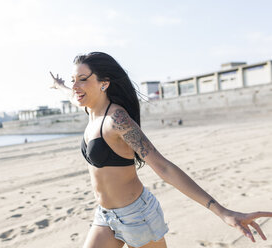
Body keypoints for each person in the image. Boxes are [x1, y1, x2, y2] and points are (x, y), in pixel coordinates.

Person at [50, 52, 272, 248]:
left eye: (82, 79)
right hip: (106, 216)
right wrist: (59, 84)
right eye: (73, 80)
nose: (75, 86)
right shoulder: (90, 110)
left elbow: (163, 167)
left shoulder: (117, 120)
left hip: (138, 217)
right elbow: (71, 94)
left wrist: (223, 212)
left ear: (104, 83)